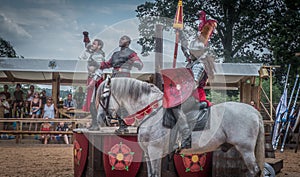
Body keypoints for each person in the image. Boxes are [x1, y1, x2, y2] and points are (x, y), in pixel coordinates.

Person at [94, 35, 143, 132]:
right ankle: (105, 117)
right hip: (114, 79)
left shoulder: (132, 54)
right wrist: (98, 64)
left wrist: (134, 63)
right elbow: (107, 64)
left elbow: (140, 64)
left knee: (123, 103)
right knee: (107, 97)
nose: (120, 40)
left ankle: (123, 125)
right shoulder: (115, 54)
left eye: (123, 39)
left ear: (128, 42)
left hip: (124, 79)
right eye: (120, 38)